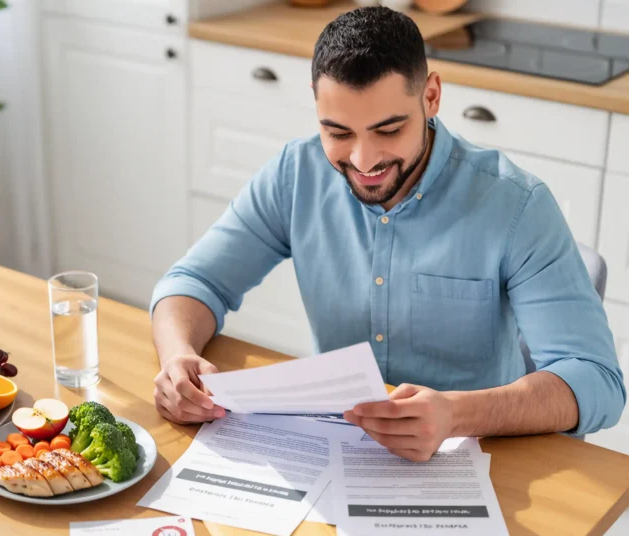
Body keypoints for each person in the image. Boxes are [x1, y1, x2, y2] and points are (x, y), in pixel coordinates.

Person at [149, 6, 626, 461]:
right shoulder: (297, 174)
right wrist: (177, 357)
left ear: (431, 96)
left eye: (389, 129)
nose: (363, 160)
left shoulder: (516, 204)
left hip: (478, 458)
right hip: (334, 449)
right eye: (338, 133)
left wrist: (456, 414)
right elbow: (194, 282)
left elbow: (596, 380)